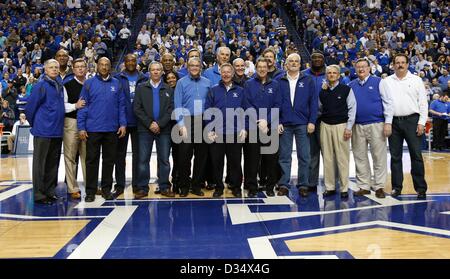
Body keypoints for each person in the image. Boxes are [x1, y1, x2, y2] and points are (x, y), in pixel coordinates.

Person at [379, 53, 429, 199]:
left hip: (412, 121)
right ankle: (396, 187)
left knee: (416, 156)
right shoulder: (386, 81)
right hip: (393, 122)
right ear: (393, 65)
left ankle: (420, 188)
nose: (400, 65)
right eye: (397, 62)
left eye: (403, 62)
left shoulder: (416, 80)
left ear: (407, 64)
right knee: (395, 157)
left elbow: (423, 104)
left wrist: (421, 123)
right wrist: (387, 122)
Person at [77, 57, 127, 202]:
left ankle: (106, 190)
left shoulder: (116, 84)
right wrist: (81, 127)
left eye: (107, 65)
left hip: (112, 129)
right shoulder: (89, 83)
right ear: (97, 66)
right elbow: (82, 106)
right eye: (102, 64)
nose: (104, 67)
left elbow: (121, 106)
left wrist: (122, 124)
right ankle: (91, 191)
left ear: (110, 67)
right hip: (93, 129)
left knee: (109, 160)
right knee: (92, 160)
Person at [349, 58, 394, 199]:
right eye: (358, 67)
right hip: (357, 125)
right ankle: (364, 186)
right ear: (355, 69)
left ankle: (379, 186)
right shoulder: (351, 85)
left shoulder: (379, 82)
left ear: (369, 68)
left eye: (364, 66)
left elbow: (388, 103)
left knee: (378, 156)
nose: (361, 69)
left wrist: (388, 122)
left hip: (377, 124)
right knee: (359, 156)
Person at [25, 59, 65, 204]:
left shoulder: (59, 85)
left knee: (52, 164)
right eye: (51, 67)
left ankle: (50, 191)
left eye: (56, 67)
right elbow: (30, 108)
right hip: (43, 131)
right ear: (45, 70)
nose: (54, 69)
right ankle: (39, 194)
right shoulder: (41, 85)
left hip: (56, 131)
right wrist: (36, 125)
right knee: (40, 164)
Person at [278, 53, 318, 197]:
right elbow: (276, 104)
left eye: (296, 61)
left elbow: (313, 103)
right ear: (286, 64)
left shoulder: (308, 80)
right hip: (285, 124)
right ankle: (283, 184)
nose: (294, 63)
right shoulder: (279, 80)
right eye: (291, 61)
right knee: (284, 156)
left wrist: (312, 121)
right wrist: (277, 121)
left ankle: (303, 184)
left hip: (303, 123)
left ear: (300, 64)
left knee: (304, 156)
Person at [134, 61, 174, 199]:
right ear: (149, 72)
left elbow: (171, 110)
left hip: (164, 130)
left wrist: (160, 124)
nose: (156, 72)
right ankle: (142, 188)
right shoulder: (140, 88)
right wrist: (150, 123)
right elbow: (137, 108)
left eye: (158, 69)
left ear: (162, 72)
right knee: (143, 159)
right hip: (145, 129)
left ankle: (164, 186)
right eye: (153, 70)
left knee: (164, 159)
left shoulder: (168, 89)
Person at [205, 63, 246, 198]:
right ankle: (218, 186)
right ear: (221, 74)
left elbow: (246, 111)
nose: (226, 74)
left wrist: (244, 128)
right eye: (224, 72)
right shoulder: (213, 90)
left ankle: (236, 187)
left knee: (235, 162)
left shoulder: (240, 91)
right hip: (218, 133)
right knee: (217, 162)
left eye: (229, 72)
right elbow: (208, 111)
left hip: (235, 133)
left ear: (233, 74)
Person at [243, 57, 281, 197]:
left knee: (271, 158)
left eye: (264, 67)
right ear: (256, 68)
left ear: (268, 68)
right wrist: (259, 122)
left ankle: (270, 186)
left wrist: (267, 121)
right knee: (252, 159)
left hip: (270, 127)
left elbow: (278, 105)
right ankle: (252, 187)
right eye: (259, 67)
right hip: (253, 126)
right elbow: (247, 104)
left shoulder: (275, 85)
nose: (262, 69)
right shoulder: (248, 84)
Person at [174, 57, 212, 197]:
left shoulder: (207, 83)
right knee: (184, 157)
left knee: (201, 157)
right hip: (187, 121)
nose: (195, 68)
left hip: (203, 121)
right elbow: (177, 104)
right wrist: (181, 124)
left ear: (200, 68)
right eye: (192, 65)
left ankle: (196, 185)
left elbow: (211, 104)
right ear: (188, 67)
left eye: (197, 65)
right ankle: (184, 186)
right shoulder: (181, 83)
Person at [319, 64, 356, 199]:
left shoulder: (346, 89)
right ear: (326, 75)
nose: (332, 75)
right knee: (327, 158)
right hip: (325, 125)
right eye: (329, 73)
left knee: (342, 158)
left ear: (339, 75)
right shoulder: (322, 91)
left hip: (341, 125)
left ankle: (344, 187)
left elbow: (352, 109)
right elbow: (319, 108)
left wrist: (349, 127)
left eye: (334, 73)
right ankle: (330, 187)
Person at [114, 54, 148, 197]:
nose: (131, 63)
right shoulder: (117, 78)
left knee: (138, 156)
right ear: (124, 63)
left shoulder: (144, 78)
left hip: (140, 122)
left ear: (137, 62)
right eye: (128, 60)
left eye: (133, 60)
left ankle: (137, 185)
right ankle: (120, 185)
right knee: (119, 156)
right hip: (122, 122)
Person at [302, 50, 327, 193]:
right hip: (310, 119)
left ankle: (331, 183)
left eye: (320, 57)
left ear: (323, 60)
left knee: (328, 153)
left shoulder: (330, 74)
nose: (317, 59)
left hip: (326, 120)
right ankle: (311, 183)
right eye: (314, 58)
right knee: (312, 153)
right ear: (310, 60)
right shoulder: (304, 74)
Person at [63, 58, 87, 200]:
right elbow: (62, 105)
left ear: (86, 68)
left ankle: (90, 185)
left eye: (82, 66)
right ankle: (72, 187)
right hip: (71, 122)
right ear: (73, 69)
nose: (80, 69)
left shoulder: (91, 84)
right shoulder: (67, 85)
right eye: (77, 67)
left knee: (88, 156)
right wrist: (75, 106)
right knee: (70, 156)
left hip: (88, 124)